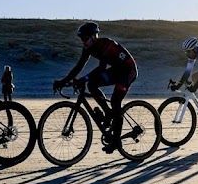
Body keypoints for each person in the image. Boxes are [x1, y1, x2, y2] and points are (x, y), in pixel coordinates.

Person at [54, 22, 138, 152]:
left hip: (128, 70)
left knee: (116, 102)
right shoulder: (88, 48)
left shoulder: (106, 45)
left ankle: (116, 142)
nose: (83, 42)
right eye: (81, 39)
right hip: (117, 70)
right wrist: (63, 81)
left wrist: (83, 79)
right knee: (92, 84)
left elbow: (101, 68)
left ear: (94, 37)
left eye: (85, 39)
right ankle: (108, 113)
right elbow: (78, 67)